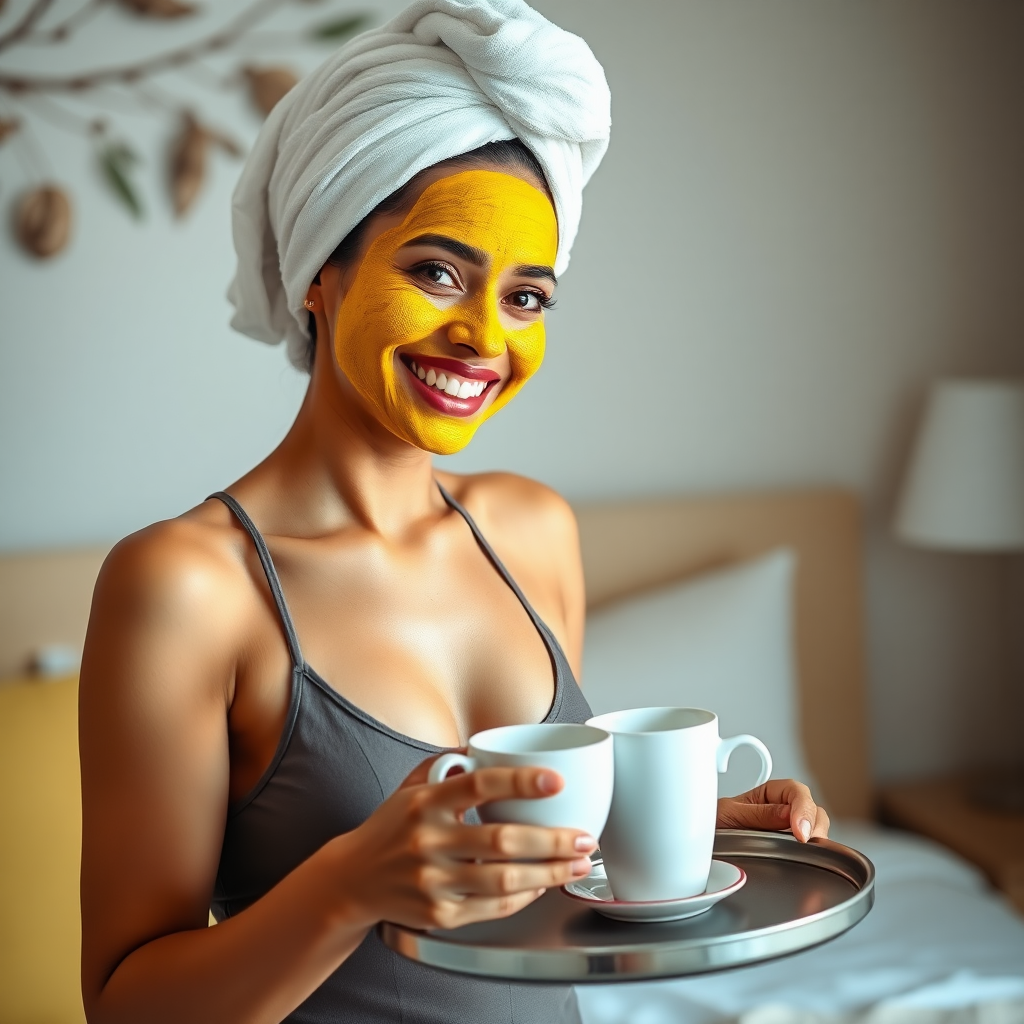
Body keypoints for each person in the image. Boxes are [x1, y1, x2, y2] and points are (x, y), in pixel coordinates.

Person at [78, 2, 830, 1022]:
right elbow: (124, 1003)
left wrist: (691, 827)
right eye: (437, 272)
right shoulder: (186, 586)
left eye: (527, 297)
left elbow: (534, 871)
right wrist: (349, 884)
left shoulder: (533, 530)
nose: (482, 337)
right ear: (320, 276)